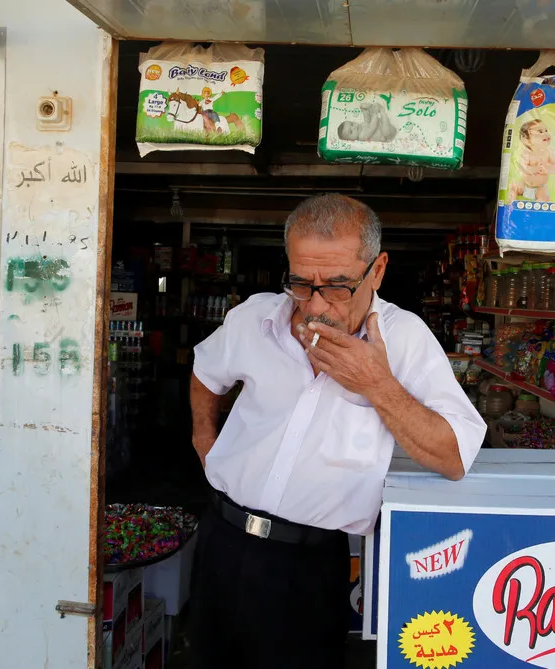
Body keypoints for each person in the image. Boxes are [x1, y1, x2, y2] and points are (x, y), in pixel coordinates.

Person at [188, 194, 486, 668]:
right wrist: (204, 438)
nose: (316, 305)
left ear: (377, 270)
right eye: (301, 284)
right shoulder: (252, 319)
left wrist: (377, 384)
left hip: (307, 568)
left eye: (338, 286)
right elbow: (206, 372)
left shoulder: (405, 339)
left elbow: (453, 456)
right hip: (221, 541)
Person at [510, 118, 555, 201]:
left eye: (546, 130)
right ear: (527, 140)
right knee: (513, 186)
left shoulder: (548, 152)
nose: (545, 133)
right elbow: (522, 167)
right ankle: (511, 203)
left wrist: (547, 169)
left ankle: (538, 206)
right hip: (525, 185)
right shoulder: (526, 153)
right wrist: (534, 169)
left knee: (544, 197)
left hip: (540, 188)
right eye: (540, 132)